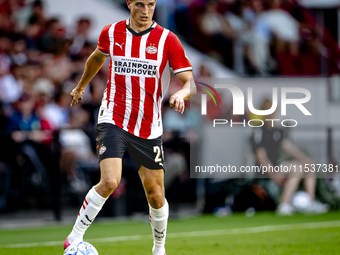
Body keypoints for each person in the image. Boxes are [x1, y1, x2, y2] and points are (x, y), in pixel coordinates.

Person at [64, 1, 196, 254]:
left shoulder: (168, 39)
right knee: (110, 180)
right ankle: (74, 236)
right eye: (139, 4)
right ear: (129, 4)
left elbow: (189, 82)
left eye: (150, 4)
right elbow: (96, 58)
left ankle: (159, 248)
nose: (146, 10)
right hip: (113, 117)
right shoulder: (111, 32)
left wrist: (181, 94)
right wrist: (81, 86)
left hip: (148, 126)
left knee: (156, 194)